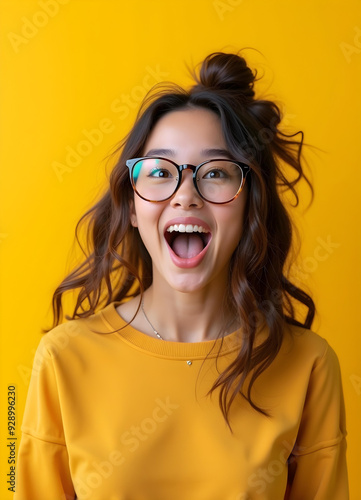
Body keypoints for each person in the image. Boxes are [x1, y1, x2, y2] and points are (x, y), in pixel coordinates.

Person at [14, 51, 349, 500]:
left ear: (250, 205)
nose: (185, 196)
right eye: (159, 172)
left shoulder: (308, 365)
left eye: (215, 173)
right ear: (132, 205)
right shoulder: (64, 359)